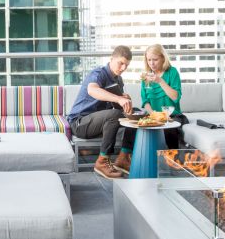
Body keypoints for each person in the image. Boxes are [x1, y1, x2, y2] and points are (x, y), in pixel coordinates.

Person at [67, 46, 136, 179]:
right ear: (111, 59)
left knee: (135, 115)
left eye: (126, 65)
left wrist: (126, 102)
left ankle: (123, 158)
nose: (123, 68)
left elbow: (116, 106)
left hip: (99, 122)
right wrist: (118, 98)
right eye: (120, 63)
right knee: (115, 115)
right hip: (80, 122)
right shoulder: (99, 73)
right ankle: (102, 162)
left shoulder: (118, 79)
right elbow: (92, 90)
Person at [141, 44, 186, 149]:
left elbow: (175, 97)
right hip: (153, 116)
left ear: (163, 58)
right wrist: (154, 115)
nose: (151, 63)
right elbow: (145, 101)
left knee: (169, 128)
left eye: (155, 59)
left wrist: (160, 81)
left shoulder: (172, 72)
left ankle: (173, 160)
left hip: (172, 116)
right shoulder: (146, 76)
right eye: (149, 60)